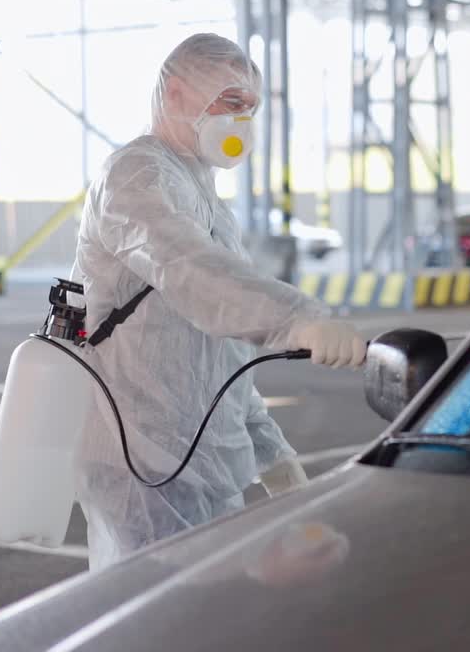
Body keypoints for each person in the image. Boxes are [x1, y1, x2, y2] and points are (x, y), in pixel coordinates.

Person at [70, 33, 366, 570]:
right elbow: (190, 271)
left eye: (250, 108)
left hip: (199, 459)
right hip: (141, 457)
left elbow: (218, 353)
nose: (242, 119)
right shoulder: (136, 175)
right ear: (177, 95)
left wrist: (274, 458)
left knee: (202, 613)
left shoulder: (201, 192)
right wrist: (296, 319)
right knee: (155, 618)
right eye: (230, 102)